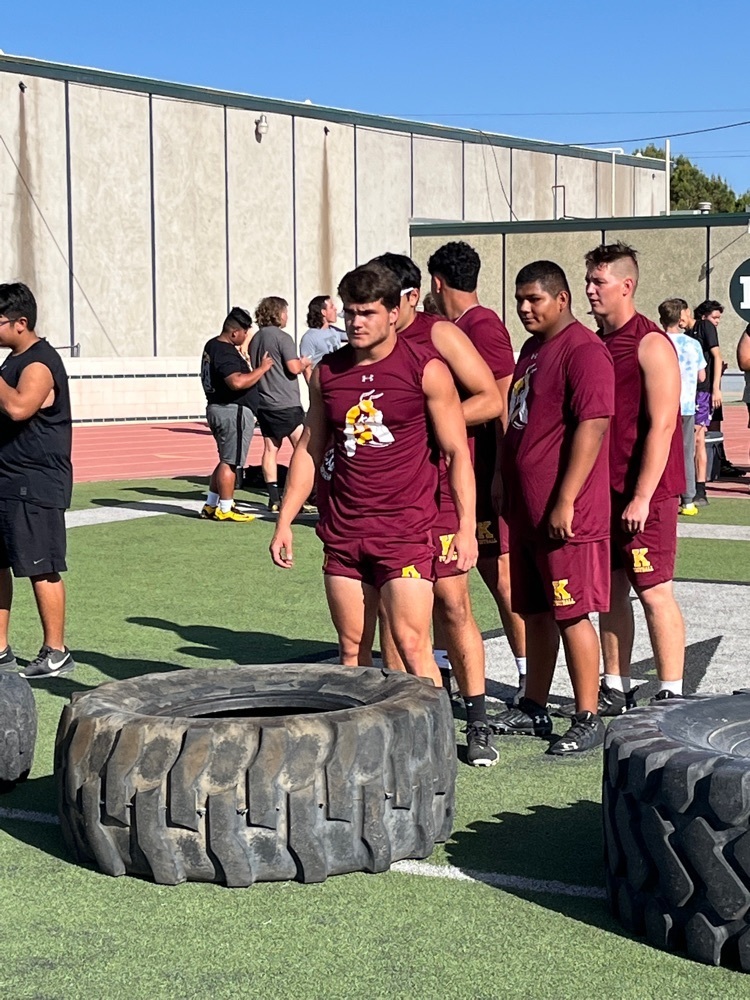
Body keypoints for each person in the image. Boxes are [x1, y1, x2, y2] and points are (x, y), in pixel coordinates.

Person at [269, 262, 477, 694]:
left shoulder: (426, 369)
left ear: (393, 313)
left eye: (367, 313)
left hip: (405, 531)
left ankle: (433, 732)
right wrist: (285, 519)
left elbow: (457, 453)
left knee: (413, 646)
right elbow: (309, 447)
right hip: (344, 532)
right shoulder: (327, 372)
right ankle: (361, 734)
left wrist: (466, 527)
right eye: (349, 312)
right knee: (351, 650)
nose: (356, 322)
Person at [371, 252, 503, 766]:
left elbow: (491, 398)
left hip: (442, 493)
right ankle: (408, 715)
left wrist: (433, 424)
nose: (376, 310)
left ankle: (478, 719)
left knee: (452, 602)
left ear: (409, 297)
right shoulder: (364, 347)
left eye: (386, 299)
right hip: (389, 501)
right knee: (394, 610)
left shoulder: (439, 334)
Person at [489, 261, 614, 754]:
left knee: (571, 612)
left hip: (566, 514)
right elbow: (518, 420)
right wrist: (502, 475)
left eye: (534, 299)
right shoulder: (532, 349)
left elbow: (594, 424)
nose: (524, 308)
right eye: (519, 299)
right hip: (527, 510)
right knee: (535, 610)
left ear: (562, 299)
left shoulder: (583, 350)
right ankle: (533, 704)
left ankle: (588, 715)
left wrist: (565, 499)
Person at [585, 242, 685, 710]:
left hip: (646, 492)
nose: (590, 290)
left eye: (599, 281)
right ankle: (616, 684)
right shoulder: (594, 343)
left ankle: (671, 690)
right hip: (601, 493)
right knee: (610, 593)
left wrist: (642, 496)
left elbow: (663, 425)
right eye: (588, 280)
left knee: (654, 591)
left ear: (626, 286)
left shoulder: (650, 343)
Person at [427, 241, 527, 704]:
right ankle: (443, 667)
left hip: (485, 471)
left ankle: (529, 679)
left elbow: (502, 400)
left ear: (436, 283)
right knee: (449, 578)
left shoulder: (482, 326)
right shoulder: (452, 327)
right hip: (464, 470)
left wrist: (502, 471)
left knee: (502, 575)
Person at [0, 282, 75, 678]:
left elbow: (18, 407)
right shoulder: (11, 362)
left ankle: (56, 650)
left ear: (21, 322)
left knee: (40, 564)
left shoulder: (40, 363)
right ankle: (0, 649)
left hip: (34, 481)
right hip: (7, 478)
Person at [200, 307, 273, 522]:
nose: (245, 337)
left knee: (225, 459)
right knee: (230, 462)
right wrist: (262, 369)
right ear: (234, 332)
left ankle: (211, 504)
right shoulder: (225, 351)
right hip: (232, 411)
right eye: (244, 332)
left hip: (217, 407)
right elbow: (236, 382)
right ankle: (225, 507)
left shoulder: (212, 345)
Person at [249, 296, 312, 512]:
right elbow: (293, 368)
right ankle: (297, 495)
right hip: (286, 402)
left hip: (265, 402)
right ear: (278, 314)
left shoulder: (255, 339)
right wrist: (304, 363)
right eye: (285, 312)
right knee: (303, 450)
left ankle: (274, 497)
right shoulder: (283, 338)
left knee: (270, 449)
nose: (287, 316)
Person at [660, 298, 706, 516]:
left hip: (661, 405)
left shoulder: (656, 341)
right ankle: (688, 499)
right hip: (686, 405)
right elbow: (701, 376)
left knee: (659, 449)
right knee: (687, 451)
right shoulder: (692, 344)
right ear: (680, 318)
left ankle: (659, 494)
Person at [681, 300, 724, 504]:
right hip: (688, 391)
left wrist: (715, 388)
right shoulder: (685, 335)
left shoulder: (705, 326)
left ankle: (699, 489)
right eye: (715, 317)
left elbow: (717, 357)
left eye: (718, 318)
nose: (717, 322)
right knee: (691, 439)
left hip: (702, 392)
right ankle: (690, 487)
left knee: (697, 437)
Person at [299, 296, 342, 374]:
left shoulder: (334, 331)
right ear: (323, 312)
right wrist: (312, 382)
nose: (335, 309)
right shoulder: (310, 337)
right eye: (331, 307)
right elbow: (306, 367)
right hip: (322, 379)